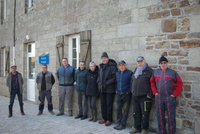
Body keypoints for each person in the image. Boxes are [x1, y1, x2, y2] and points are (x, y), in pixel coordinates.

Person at [150, 55, 183, 134]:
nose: (163, 64)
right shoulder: (155, 72)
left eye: (164, 63)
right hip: (159, 98)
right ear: (159, 64)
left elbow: (179, 84)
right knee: (160, 117)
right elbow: (152, 82)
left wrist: (174, 94)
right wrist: (155, 92)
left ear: (167, 64)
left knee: (171, 118)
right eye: (161, 63)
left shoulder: (173, 73)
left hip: (170, 98)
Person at [129, 56, 153, 134]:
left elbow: (153, 83)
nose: (140, 63)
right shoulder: (136, 70)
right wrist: (132, 91)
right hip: (135, 96)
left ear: (144, 62)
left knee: (145, 113)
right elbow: (132, 81)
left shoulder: (149, 71)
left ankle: (144, 129)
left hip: (145, 96)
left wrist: (150, 93)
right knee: (136, 113)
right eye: (138, 62)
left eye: (141, 62)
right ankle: (136, 127)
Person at [98, 52, 118, 126]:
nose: (104, 59)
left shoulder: (112, 66)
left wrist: (106, 83)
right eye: (102, 58)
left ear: (108, 58)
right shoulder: (101, 67)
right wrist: (99, 84)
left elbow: (114, 77)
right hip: (102, 88)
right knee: (103, 104)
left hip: (110, 89)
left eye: (105, 58)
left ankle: (109, 120)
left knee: (109, 104)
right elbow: (99, 77)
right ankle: (104, 118)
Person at [114, 60, 132, 130]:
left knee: (125, 110)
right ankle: (119, 122)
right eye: (120, 65)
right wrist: (116, 89)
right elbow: (116, 82)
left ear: (125, 66)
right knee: (118, 109)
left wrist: (129, 91)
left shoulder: (130, 73)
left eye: (123, 65)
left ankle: (122, 124)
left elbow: (132, 83)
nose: (121, 67)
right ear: (118, 67)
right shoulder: (117, 73)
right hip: (119, 93)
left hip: (126, 94)